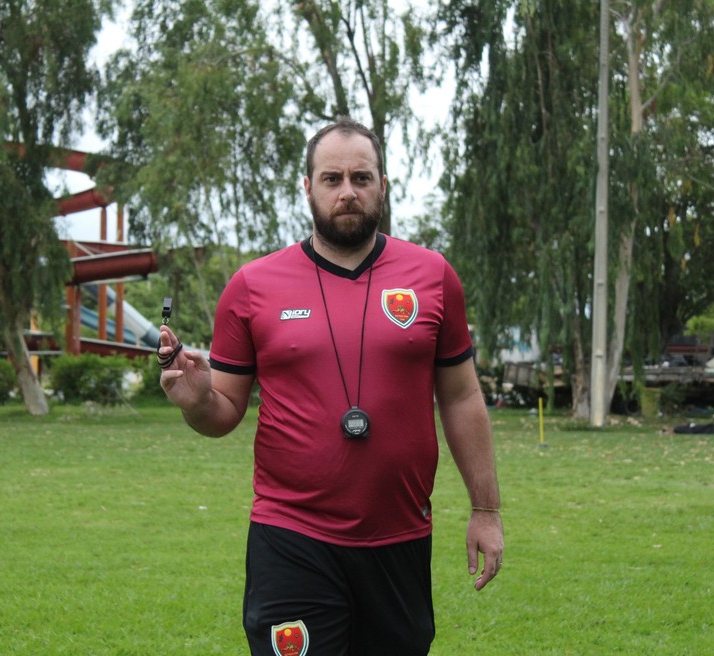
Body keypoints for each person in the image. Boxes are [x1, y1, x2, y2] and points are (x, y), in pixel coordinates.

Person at [157, 117, 503, 655]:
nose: (348, 192)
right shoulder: (252, 286)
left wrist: (486, 510)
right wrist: (196, 400)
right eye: (332, 178)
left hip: (400, 539)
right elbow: (222, 413)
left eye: (362, 178)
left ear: (382, 186)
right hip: (292, 537)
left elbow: (461, 397)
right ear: (308, 187)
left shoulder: (432, 276)